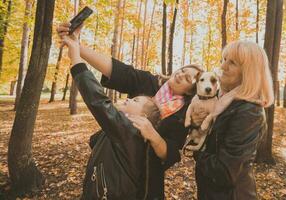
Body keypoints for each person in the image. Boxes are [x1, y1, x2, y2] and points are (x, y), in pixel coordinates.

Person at [57, 22, 204, 199]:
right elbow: (119, 71)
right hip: (114, 166)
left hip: (147, 179)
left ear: (191, 91)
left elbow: (172, 154)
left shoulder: (184, 114)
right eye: (182, 70)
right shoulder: (149, 82)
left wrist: (155, 137)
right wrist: (77, 46)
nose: (180, 74)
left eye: (188, 77)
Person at [194, 40, 274, 200]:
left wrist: (196, 151)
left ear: (248, 72)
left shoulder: (249, 111)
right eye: (224, 59)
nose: (223, 66)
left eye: (232, 63)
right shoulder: (225, 101)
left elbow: (225, 172)